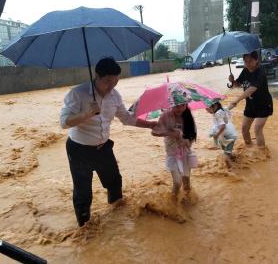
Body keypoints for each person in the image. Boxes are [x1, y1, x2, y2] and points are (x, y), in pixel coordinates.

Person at [60, 57, 157, 227]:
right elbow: (64, 122)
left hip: (103, 147)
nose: (111, 86)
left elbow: (127, 119)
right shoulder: (78, 93)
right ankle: (85, 230)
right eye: (107, 81)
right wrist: (87, 114)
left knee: (114, 181)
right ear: (97, 76)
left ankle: (117, 220)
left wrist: (152, 125)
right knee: (83, 192)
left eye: (115, 82)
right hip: (79, 150)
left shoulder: (115, 96)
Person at [151, 94, 198, 197]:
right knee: (177, 183)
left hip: (185, 152)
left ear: (186, 104)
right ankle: (173, 206)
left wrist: (187, 141)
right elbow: (154, 132)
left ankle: (188, 204)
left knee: (186, 184)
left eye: (182, 105)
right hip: (172, 153)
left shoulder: (188, 116)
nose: (180, 108)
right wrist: (171, 133)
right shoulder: (165, 116)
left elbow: (192, 134)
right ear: (171, 104)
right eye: (176, 105)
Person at [228, 50, 273, 147]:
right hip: (251, 105)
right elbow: (238, 84)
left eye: (250, 61)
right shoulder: (245, 71)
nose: (247, 64)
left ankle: (262, 154)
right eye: (245, 61)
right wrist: (232, 80)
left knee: (257, 129)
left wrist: (236, 101)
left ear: (257, 60)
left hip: (263, 105)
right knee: (244, 129)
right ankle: (249, 149)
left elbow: (251, 90)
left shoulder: (260, 72)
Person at [205, 100, 238, 168]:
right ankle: (233, 157)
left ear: (215, 106)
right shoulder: (222, 109)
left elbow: (223, 126)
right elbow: (230, 106)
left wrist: (216, 135)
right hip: (229, 134)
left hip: (228, 136)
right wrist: (234, 103)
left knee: (225, 155)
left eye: (208, 108)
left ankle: (232, 170)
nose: (207, 111)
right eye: (206, 109)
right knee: (226, 151)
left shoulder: (217, 114)